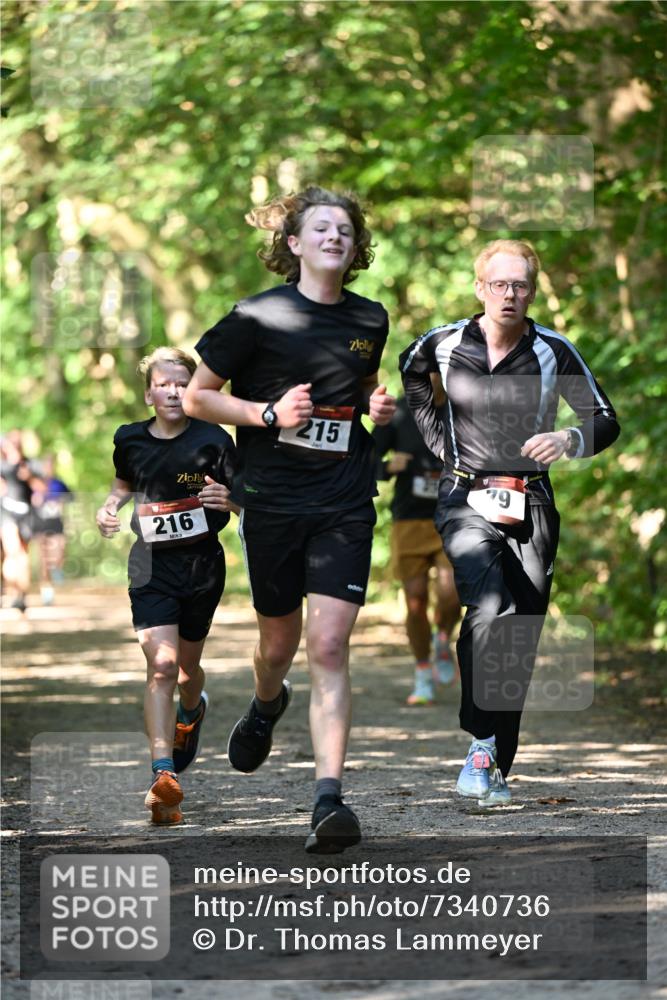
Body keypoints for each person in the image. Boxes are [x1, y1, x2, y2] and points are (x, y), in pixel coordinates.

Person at [183, 186, 396, 853]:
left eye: (345, 230)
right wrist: (267, 415)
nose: (335, 237)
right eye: (321, 228)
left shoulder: (369, 319)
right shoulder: (255, 316)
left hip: (344, 498)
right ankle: (265, 702)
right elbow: (197, 397)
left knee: (328, 645)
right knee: (278, 646)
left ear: (356, 248)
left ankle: (329, 799)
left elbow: (357, 386)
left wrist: (375, 404)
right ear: (294, 244)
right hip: (272, 499)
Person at [399, 239, 620, 807]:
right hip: (466, 497)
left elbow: (605, 419)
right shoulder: (442, 343)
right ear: (479, 288)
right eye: (498, 283)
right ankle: (478, 743)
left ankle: (495, 760)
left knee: (520, 634)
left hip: (533, 502)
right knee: (490, 606)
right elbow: (412, 375)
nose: (509, 294)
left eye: (519, 284)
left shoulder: (553, 350)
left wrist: (569, 438)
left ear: (531, 291)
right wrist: (439, 443)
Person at [96, 347, 237, 825]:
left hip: (202, 567)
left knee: (185, 672)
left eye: (183, 381)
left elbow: (247, 498)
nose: (173, 390)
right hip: (150, 566)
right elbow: (123, 481)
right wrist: (109, 506)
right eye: (164, 383)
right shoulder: (129, 438)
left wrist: (230, 499)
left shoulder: (214, 439)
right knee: (161, 666)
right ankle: (162, 775)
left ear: (193, 388)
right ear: (149, 392)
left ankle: (192, 710)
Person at [372, 394, 461, 705]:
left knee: (452, 591)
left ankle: (442, 638)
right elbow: (365, 459)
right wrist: (387, 467)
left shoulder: (464, 406)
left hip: (453, 515)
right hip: (409, 519)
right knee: (415, 599)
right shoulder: (398, 411)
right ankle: (423, 671)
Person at [30, 454, 72, 605]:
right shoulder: (33, 484)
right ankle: (46, 592)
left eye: (50, 465)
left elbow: (71, 497)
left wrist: (60, 500)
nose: (48, 468)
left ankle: (57, 569)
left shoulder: (59, 484)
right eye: (45, 465)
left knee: (59, 553)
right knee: (43, 560)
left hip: (56, 525)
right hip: (40, 526)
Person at [0, 430, 35, 613]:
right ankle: (13, 593)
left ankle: (21, 595)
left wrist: (29, 477)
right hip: (6, 514)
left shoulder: (27, 464)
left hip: (25, 516)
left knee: (22, 555)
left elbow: (39, 488)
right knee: (12, 552)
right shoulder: (2, 467)